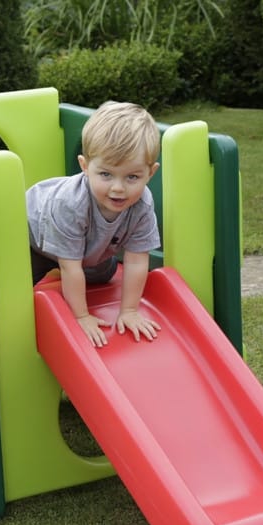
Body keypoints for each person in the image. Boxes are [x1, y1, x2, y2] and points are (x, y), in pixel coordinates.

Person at [27, 101, 162, 348]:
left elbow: (136, 260)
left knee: (105, 274)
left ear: (150, 173)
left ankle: (84, 260)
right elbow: (70, 267)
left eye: (132, 177)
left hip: (86, 249)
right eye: (106, 174)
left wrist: (129, 310)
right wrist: (81, 316)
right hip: (34, 240)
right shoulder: (70, 203)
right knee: (16, 293)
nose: (118, 188)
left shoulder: (142, 203)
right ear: (85, 167)